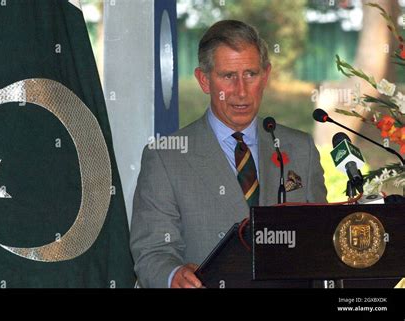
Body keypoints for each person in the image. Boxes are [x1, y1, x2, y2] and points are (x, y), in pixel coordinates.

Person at [130, 20, 327, 288]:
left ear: (265, 76)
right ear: (204, 80)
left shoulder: (300, 149)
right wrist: (173, 274)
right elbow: (152, 251)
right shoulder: (165, 157)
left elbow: (321, 243)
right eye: (228, 76)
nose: (242, 91)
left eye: (250, 74)